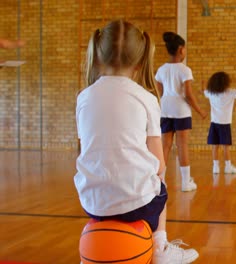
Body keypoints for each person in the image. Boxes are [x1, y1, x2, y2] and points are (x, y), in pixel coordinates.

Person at [74, 20, 198, 263]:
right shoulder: (146, 98)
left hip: (91, 202)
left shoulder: (84, 97)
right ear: (141, 61)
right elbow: (159, 164)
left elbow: (88, 148)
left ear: (98, 57)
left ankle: (91, 251)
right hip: (138, 206)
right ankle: (160, 247)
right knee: (159, 181)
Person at [155, 32, 207, 192]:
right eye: (185, 49)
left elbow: (159, 93)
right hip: (181, 110)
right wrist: (200, 111)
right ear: (180, 50)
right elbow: (188, 95)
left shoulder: (161, 70)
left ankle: (161, 182)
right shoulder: (185, 70)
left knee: (165, 145)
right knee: (182, 145)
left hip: (165, 109)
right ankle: (185, 182)